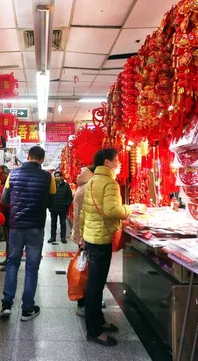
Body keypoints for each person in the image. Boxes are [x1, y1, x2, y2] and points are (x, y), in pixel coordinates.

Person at [80, 149, 131, 347]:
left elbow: (84, 212)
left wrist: (83, 236)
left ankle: (98, 321)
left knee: (95, 284)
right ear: (107, 162)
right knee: (95, 285)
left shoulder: (91, 181)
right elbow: (111, 211)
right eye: (117, 160)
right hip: (101, 239)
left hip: (92, 238)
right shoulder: (110, 183)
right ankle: (94, 331)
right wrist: (130, 209)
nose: (119, 163)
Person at [0, 146, 56, 321]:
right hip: (36, 228)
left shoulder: (13, 174)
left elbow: (4, 200)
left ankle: (7, 305)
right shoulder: (48, 177)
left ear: (29, 156)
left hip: (16, 226)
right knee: (32, 268)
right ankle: (27, 309)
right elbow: (52, 203)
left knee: (12, 264)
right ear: (41, 160)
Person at [71, 165, 95, 316]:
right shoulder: (90, 187)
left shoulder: (83, 185)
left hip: (83, 234)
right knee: (87, 271)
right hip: (88, 235)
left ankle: (86, 300)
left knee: (85, 268)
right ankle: (84, 303)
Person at [48, 171, 73, 244]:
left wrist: (66, 204)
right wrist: (50, 206)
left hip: (62, 208)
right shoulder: (52, 185)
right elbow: (49, 196)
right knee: (53, 223)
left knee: (63, 223)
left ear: (61, 177)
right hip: (54, 208)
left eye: (58, 176)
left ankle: (63, 237)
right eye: (55, 176)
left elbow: (69, 196)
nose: (56, 177)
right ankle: (52, 237)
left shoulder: (66, 186)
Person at [0, 165, 10, 272]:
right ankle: (7, 259)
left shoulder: (9, 184)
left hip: (11, 216)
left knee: (11, 241)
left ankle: (10, 262)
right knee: (7, 239)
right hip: (5, 216)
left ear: (6, 174)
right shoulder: (1, 184)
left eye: (0, 174)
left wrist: (0, 203)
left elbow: (7, 201)